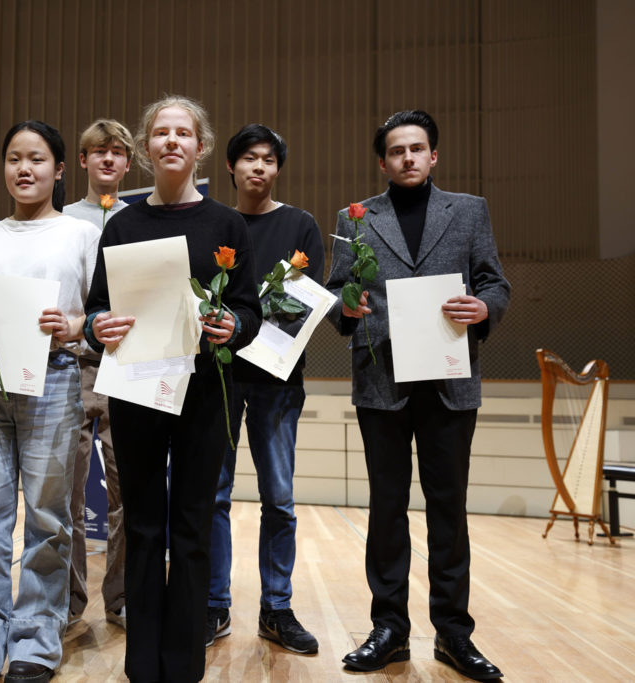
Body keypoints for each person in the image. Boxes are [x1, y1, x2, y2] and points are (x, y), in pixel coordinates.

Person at [325, 110, 510, 680]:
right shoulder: (355, 217)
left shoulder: (469, 211)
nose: (408, 157)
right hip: (382, 383)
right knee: (385, 511)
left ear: (434, 157)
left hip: (450, 382)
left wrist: (485, 309)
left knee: (448, 513)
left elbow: (493, 282)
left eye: (418, 148)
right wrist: (345, 307)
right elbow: (335, 295)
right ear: (382, 162)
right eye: (397, 150)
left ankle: (455, 634)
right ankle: (389, 631)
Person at [85, 95, 262, 683]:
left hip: (206, 396)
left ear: (200, 148)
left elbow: (249, 312)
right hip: (136, 392)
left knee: (190, 527)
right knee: (142, 526)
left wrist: (233, 325)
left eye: (182, 133)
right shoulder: (124, 223)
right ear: (145, 148)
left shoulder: (226, 224)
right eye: (160, 132)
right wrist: (96, 326)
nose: (171, 142)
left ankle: (183, 667)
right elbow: (95, 311)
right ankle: (143, 666)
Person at [0, 120, 100, 683]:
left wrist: (75, 325)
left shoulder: (82, 234)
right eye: (14, 158)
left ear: (60, 170)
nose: (24, 169)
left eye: (36, 159)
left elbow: (100, 317)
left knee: (47, 519)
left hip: (56, 381)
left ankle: (36, 643)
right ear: (1, 166)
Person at [206, 124, 324, 654]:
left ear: (278, 168)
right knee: (214, 496)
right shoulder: (215, 224)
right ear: (230, 168)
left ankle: (276, 608)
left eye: (268, 159)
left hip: (277, 380)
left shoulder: (301, 224)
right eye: (249, 158)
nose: (259, 167)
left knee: (280, 499)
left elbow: (303, 304)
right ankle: (214, 605)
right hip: (219, 377)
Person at [62, 118, 134, 630]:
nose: (107, 160)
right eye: (98, 152)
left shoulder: (143, 219)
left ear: (129, 164)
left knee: (126, 492)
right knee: (64, 489)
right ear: (83, 161)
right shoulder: (61, 218)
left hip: (127, 364)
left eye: (117, 153)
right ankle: (66, 602)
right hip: (70, 361)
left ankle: (122, 597)